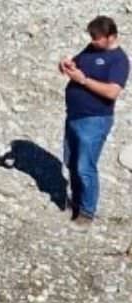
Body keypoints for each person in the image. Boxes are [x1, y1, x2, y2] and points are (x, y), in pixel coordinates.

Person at [59, 15, 129, 224]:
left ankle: (87, 212)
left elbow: (112, 92)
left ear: (111, 37)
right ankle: (75, 203)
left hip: (95, 119)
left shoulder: (119, 60)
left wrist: (83, 80)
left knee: (85, 167)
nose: (93, 41)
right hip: (74, 115)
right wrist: (67, 65)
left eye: (97, 38)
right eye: (92, 37)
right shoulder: (91, 49)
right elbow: (77, 64)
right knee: (71, 162)